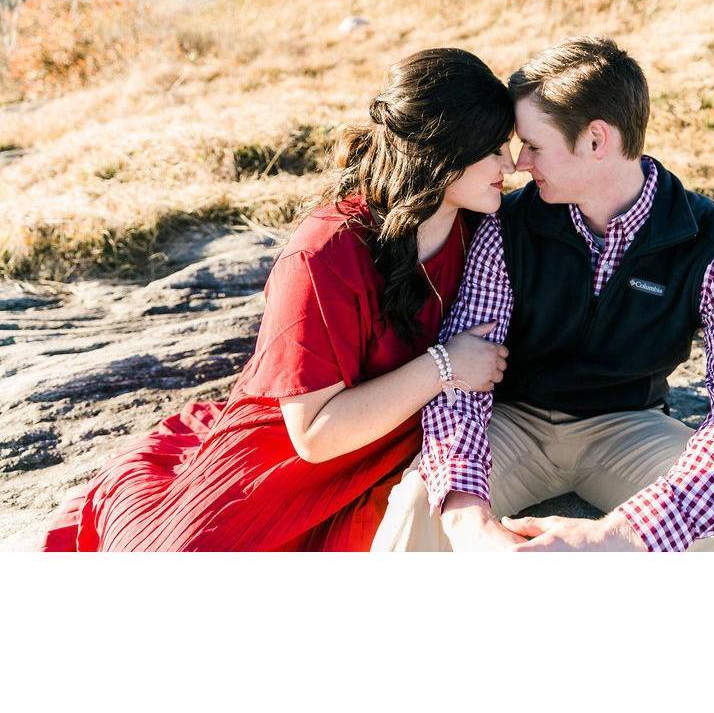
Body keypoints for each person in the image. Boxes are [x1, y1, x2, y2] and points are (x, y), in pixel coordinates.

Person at [42, 48, 516, 552]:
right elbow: (312, 435)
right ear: (440, 153)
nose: (509, 164)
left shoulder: (481, 228)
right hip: (287, 462)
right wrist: (445, 365)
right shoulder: (324, 253)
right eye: (492, 149)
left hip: (401, 448)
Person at [372, 36, 714, 553]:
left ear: (596, 140)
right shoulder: (505, 226)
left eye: (533, 144)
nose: (519, 163)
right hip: (513, 421)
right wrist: (471, 523)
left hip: (629, 426)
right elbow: (464, 376)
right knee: (421, 501)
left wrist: (623, 533)